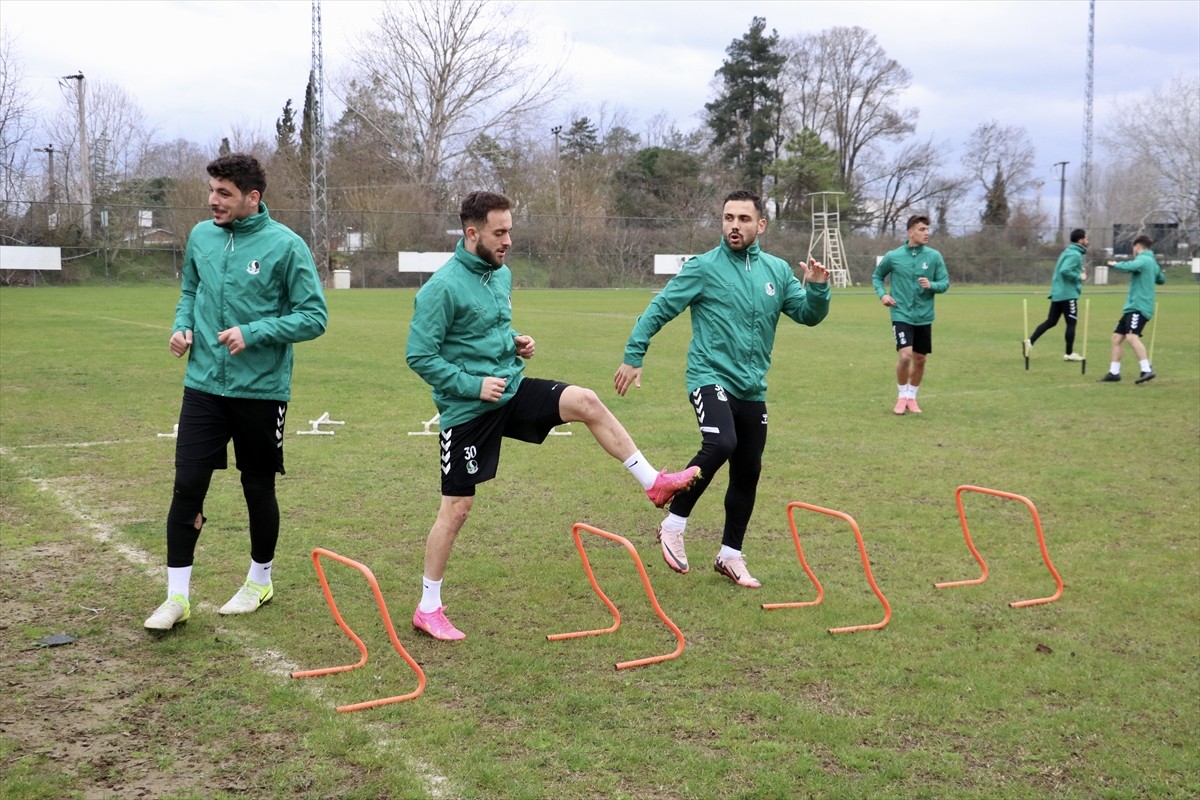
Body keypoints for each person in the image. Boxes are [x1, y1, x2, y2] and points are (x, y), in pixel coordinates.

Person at [404, 190, 699, 641]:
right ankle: (428, 607)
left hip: (511, 390)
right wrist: (472, 385)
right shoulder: (440, 288)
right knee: (457, 509)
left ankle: (653, 484)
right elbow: (420, 356)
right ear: (472, 233)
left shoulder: (500, 275)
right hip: (467, 409)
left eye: (510, 231)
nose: (507, 241)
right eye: (498, 233)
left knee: (586, 401)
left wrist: (515, 343)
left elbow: (488, 332)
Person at [144, 153, 329, 631]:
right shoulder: (202, 237)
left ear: (253, 197)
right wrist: (181, 328)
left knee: (257, 486)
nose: (213, 200)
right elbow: (189, 292)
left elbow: (314, 318)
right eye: (212, 190)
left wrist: (255, 331)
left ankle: (260, 580)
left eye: (224, 193)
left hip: (261, 391)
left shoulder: (287, 246)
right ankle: (176, 599)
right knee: (187, 486)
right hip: (203, 386)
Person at [613, 190, 831, 588]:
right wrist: (634, 353)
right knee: (721, 443)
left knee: (748, 471)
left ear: (760, 225)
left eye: (744, 219)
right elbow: (661, 307)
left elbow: (808, 315)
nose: (734, 225)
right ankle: (674, 523)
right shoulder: (703, 268)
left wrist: (816, 288)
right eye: (728, 217)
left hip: (751, 386)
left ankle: (730, 555)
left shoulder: (778, 272)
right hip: (709, 375)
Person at [871, 214, 950, 415]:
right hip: (901, 314)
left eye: (927, 229)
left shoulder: (934, 256)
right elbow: (877, 276)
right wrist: (883, 295)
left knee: (920, 359)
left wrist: (932, 285)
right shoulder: (894, 256)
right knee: (905, 357)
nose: (926, 233)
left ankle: (911, 397)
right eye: (922, 229)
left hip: (924, 316)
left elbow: (944, 283)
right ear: (910, 232)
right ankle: (901, 396)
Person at [1098, 234, 1165, 384]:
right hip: (1132, 307)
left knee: (1131, 337)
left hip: (1140, 307)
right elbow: (1161, 279)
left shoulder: (1144, 259)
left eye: (1133, 248)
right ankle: (1114, 372)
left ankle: (1146, 369)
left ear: (1137, 246)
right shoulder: (1152, 262)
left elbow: (1131, 266)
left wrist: (1115, 265)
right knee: (1116, 338)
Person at [1025, 228, 1089, 361]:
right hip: (1067, 294)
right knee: (1071, 323)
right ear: (1080, 240)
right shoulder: (1075, 254)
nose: (1088, 241)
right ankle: (1069, 353)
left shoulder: (1068, 251)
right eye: (1086, 238)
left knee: (1051, 321)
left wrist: (1078, 269)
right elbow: (1065, 271)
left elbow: (1064, 268)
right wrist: (1079, 276)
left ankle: (1030, 342)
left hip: (1058, 292)